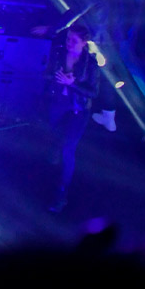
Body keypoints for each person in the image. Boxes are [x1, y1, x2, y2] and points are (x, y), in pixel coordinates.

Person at [45, 23, 100, 212]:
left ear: (84, 43)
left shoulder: (90, 64)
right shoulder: (59, 53)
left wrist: (72, 84)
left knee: (69, 149)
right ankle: (53, 158)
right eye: (68, 38)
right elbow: (48, 72)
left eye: (74, 41)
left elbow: (93, 92)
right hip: (58, 102)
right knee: (53, 134)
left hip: (79, 109)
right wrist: (52, 77)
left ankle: (62, 192)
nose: (69, 43)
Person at [80, 0, 134, 132]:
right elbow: (134, 9)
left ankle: (108, 117)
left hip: (103, 41)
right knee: (121, 75)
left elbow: (83, 18)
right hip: (124, 37)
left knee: (106, 78)